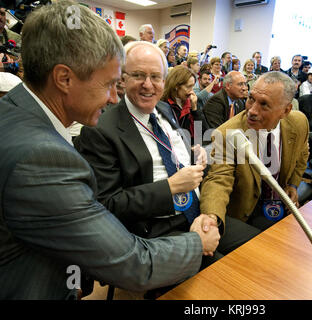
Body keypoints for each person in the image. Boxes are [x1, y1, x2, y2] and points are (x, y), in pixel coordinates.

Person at [0, 1, 217, 300]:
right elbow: (133, 264)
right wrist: (196, 242)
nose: (115, 99)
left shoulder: (12, 110)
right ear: (64, 78)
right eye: (110, 84)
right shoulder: (43, 159)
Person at [75, 40, 258, 274]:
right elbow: (108, 204)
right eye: (139, 75)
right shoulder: (101, 130)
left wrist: (194, 154)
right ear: (123, 78)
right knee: (225, 275)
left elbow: (168, 152)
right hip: (157, 227)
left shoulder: (164, 109)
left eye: (156, 77)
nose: (148, 85)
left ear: (164, 80)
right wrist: (170, 187)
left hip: (197, 209)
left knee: (256, 249)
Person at [200, 71, 309, 231]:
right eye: (251, 99)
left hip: (280, 202)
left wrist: (293, 185)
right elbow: (218, 180)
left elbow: (302, 154)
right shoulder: (227, 133)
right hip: (246, 213)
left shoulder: (299, 122)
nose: (252, 110)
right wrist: (211, 219)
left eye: (264, 104)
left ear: (285, 111)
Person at [161, 65, 209, 140]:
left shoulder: (190, 102)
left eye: (192, 87)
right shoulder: (163, 104)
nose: (191, 91)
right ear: (176, 86)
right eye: (188, 87)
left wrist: (195, 110)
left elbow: (204, 133)